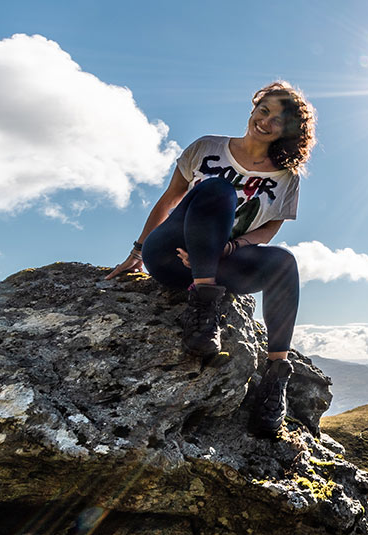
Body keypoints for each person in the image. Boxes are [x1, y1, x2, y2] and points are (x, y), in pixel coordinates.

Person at [106, 80, 315, 439]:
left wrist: (228, 250)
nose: (265, 121)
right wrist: (137, 252)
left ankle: (275, 380)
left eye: (277, 120)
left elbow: (268, 231)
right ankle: (203, 314)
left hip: (221, 262)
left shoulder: (286, 178)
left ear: (289, 131)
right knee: (217, 187)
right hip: (172, 254)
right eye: (263, 110)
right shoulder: (207, 148)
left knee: (284, 263)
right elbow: (170, 200)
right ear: (253, 109)